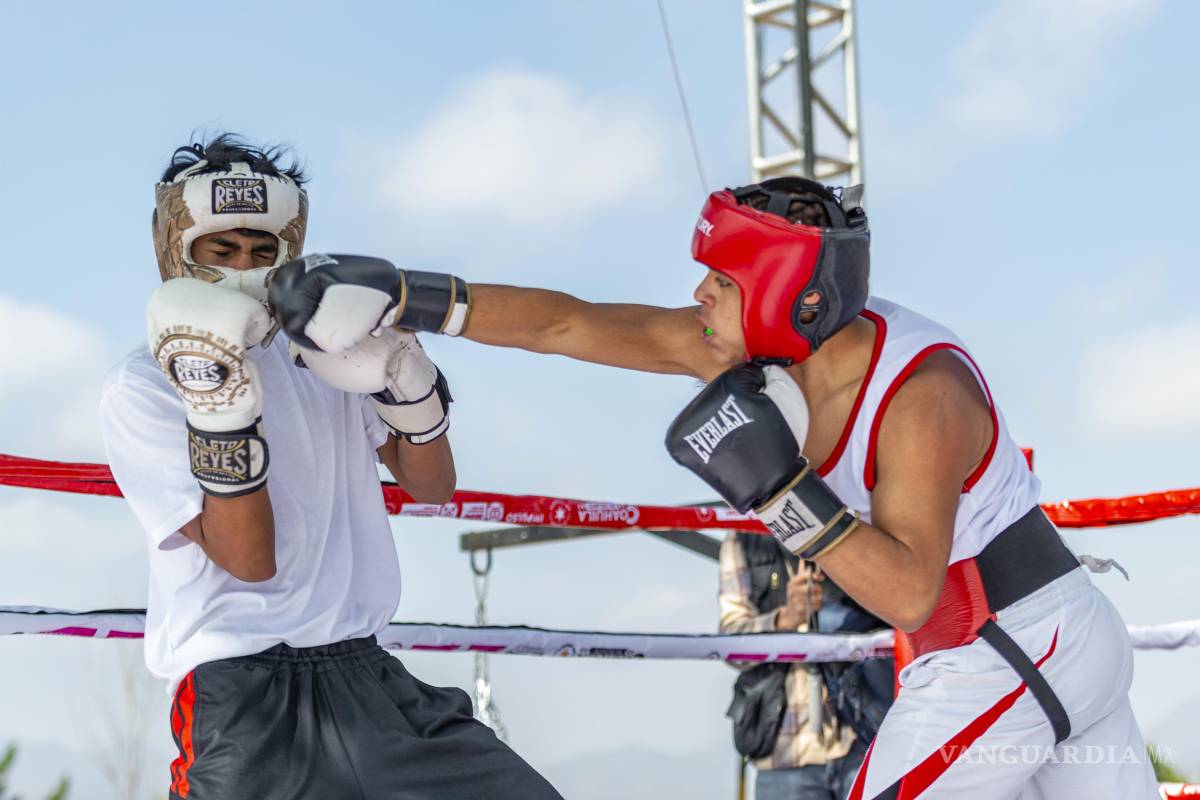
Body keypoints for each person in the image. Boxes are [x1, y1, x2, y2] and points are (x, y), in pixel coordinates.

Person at [269, 176, 1159, 798]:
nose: (697, 293)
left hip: (1005, 647)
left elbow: (909, 587)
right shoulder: (769, 347)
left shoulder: (918, 398)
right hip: (1039, 645)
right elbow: (568, 322)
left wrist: (780, 491)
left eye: (719, 280)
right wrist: (409, 295)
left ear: (783, 294)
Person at [98, 134, 562, 800]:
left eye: (263, 250)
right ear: (178, 250)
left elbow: (432, 485)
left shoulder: (319, 354)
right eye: (220, 250)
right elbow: (250, 559)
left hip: (366, 674)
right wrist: (218, 405)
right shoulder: (144, 385)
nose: (243, 267)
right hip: (242, 693)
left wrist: (411, 382)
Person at [720, 533, 877, 799]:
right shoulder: (742, 537)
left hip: (864, 736)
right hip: (783, 749)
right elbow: (731, 646)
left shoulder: (851, 519)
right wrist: (785, 618)